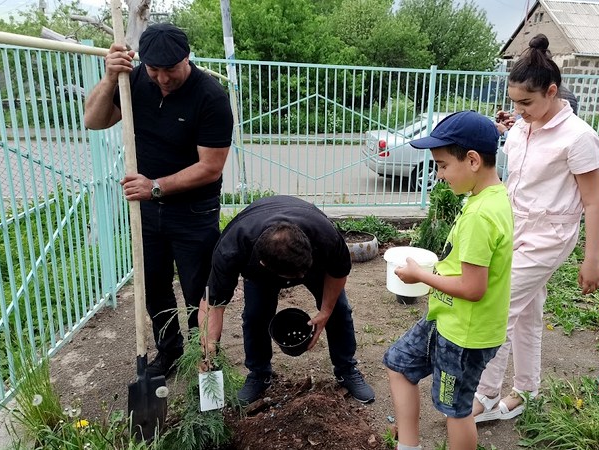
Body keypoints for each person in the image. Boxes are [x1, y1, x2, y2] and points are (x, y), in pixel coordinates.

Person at [83, 23, 234, 377]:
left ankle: (204, 360)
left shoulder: (210, 97)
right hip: (148, 213)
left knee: (200, 290)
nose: (163, 79)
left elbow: (210, 167)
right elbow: (93, 120)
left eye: (171, 70)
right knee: (154, 286)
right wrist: (110, 78)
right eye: (154, 71)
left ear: (187, 58)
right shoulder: (133, 81)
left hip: (195, 211)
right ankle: (169, 354)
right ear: (142, 64)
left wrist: (154, 186)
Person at [473, 34, 599, 422]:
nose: (519, 110)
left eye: (527, 102)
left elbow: (594, 201)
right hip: (515, 226)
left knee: (499, 305)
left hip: (550, 235)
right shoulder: (521, 127)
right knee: (527, 311)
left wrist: (591, 260)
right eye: (515, 102)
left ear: (552, 92)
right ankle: (527, 390)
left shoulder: (579, 137)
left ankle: (485, 394)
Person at [383, 111, 513, 450]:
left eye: (442, 165)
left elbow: (473, 288)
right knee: (398, 363)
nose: (439, 175)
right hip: (448, 320)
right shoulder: (492, 198)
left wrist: (420, 275)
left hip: (465, 335)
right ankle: (408, 445)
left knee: (455, 410)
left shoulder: (480, 215)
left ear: (472, 160)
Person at [198, 195, 375, 405]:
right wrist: (208, 349)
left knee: (339, 310)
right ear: (263, 263)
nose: (299, 280)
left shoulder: (324, 235)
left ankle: (347, 369)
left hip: (309, 260)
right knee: (255, 316)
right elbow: (212, 306)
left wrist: (325, 311)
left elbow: (338, 273)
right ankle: (259, 374)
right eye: (294, 277)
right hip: (259, 271)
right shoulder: (232, 249)